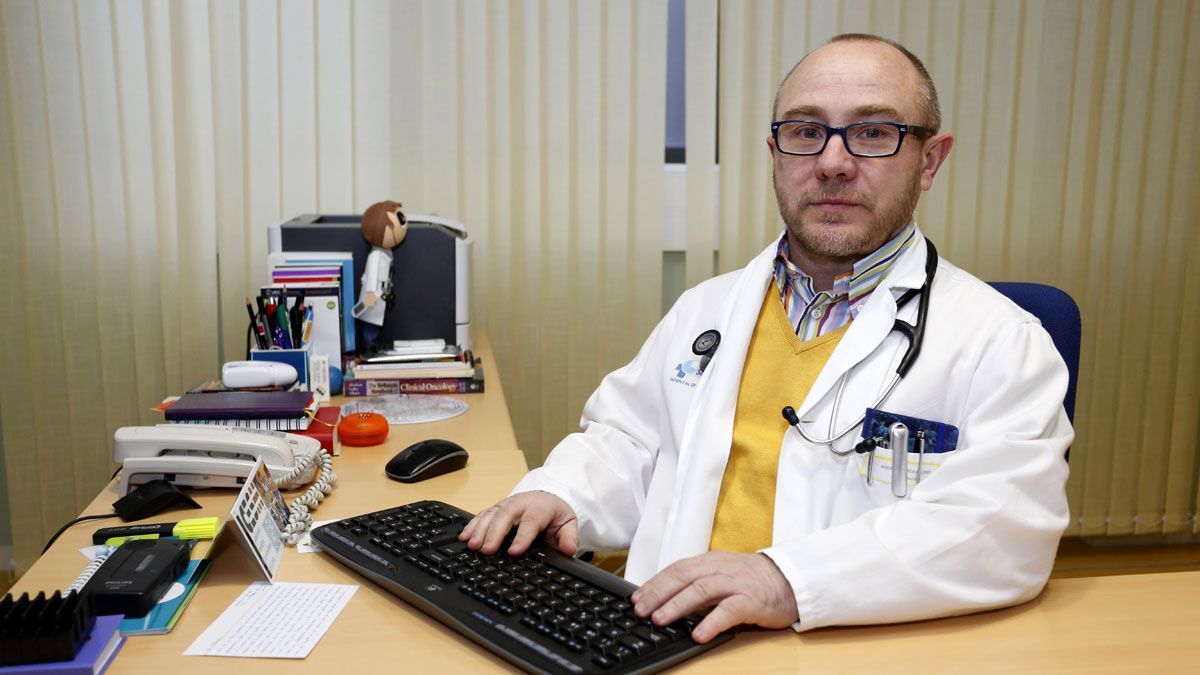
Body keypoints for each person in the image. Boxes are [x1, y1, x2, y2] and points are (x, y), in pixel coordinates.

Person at [461, 33, 1071, 642]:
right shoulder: (707, 308)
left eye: (874, 133)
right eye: (806, 132)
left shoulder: (1003, 342)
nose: (833, 162)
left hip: (842, 642)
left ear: (930, 160)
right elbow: (631, 441)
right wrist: (560, 493)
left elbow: (1002, 526)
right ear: (776, 152)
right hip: (661, 636)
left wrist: (788, 580)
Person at [353, 200, 408, 348]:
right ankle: (369, 351)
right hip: (374, 297)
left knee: (375, 327)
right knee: (371, 328)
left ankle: (373, 348)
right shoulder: (376, 255)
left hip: (380, 295)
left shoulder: (386, 252)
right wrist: (370, 293)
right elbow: (372, 275)